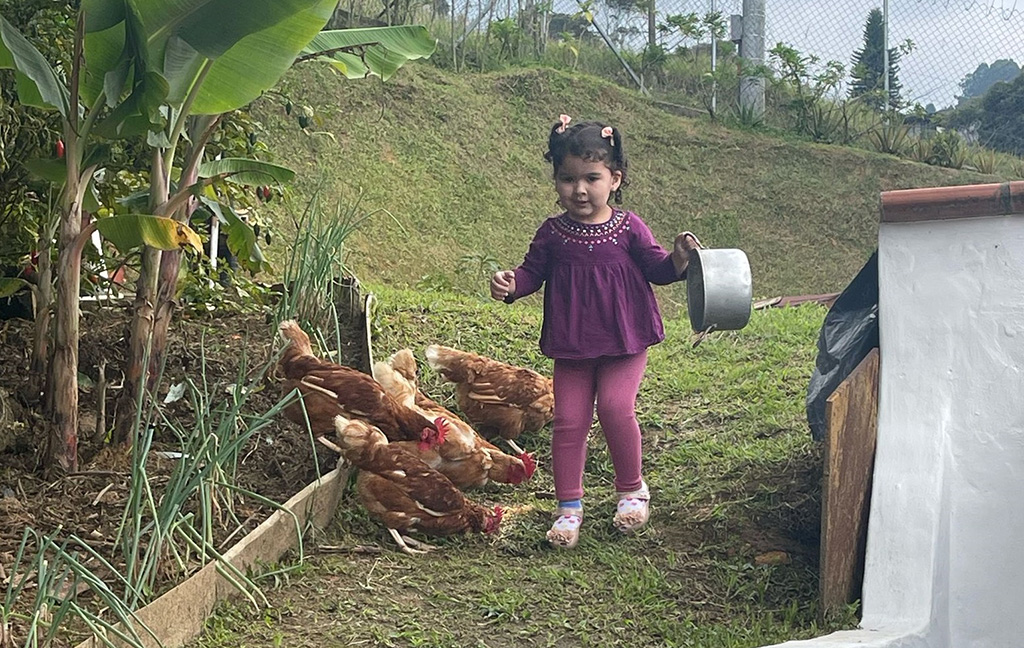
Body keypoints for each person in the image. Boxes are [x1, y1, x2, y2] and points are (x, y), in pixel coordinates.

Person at [490, 115, 701, 549]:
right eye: (567, 179)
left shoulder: (629, 227)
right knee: (567, 421)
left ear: (614, 178)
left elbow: (658, 269)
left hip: (625, 342)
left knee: (615, 408)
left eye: (591, 178)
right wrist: (512, 285)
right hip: (572, 347)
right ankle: (568, 508)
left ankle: (632, 491)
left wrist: (679, 257)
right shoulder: (552, 233)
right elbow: (531, 274)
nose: (579, 189)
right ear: (556, 181)